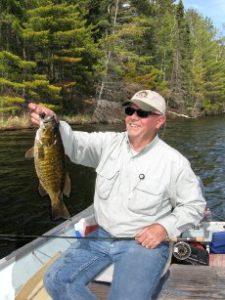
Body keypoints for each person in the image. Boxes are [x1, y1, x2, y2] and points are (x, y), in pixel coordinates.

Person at [28, 90, 206, 300]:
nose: (133, 117)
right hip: (102, 235)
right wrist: (54, 122)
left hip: (144, 244)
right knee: (57, 281)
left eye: (143, 113)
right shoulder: (108, 144)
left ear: (159, 121)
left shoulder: (174, 162)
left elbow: (194, 206)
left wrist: (162, 228)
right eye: (130, 110)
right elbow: (74, 143)